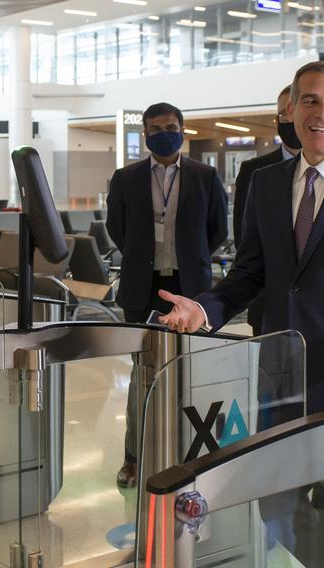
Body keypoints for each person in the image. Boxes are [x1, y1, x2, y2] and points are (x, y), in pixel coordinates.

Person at [158, 61, 324, 567]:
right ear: (291, 109)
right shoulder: (267, 182)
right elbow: (250, 274)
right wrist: (206, 309)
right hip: (279, 376)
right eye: (311, 101)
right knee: (276, 505)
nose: (323, 113)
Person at [106, 101, 228, 488]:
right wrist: (145, 257)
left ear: (183, 129)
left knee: (191, 373)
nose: (164, 133)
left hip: (190, 290)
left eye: (171, 126)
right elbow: (117, 228)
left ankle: (187, 454)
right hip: (143, 289)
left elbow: (218, 231)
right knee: (143, 376)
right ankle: (133, 457)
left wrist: (192, 259)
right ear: (144, 134)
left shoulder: (205, 177)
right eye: (155, 128)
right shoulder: (125, 178)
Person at [233, 84, 301, 335]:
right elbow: (245, 239)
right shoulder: (256, 172)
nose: (291, 118)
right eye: (285, 113)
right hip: (268, 303)